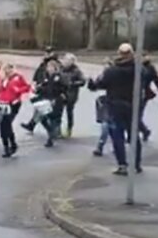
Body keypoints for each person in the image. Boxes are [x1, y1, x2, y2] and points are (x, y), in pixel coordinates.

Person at [89, 44, 148, 175]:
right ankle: (136, 164)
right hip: (133, 105)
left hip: (115, 105)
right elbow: (146, 79)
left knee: (117, 135)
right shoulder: (139, 70)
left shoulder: (112, 71)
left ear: (119, 54)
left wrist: (92, 83)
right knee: (133, 135)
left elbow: (99, 85)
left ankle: (122, 164)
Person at [0, 63, 32, 158]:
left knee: (6, 124)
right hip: (2, 103)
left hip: (14, 104)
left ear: (12, 69)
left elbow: (27, 87)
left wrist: (18, 90)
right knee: (3, 126)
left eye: (9, 69)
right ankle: (8, 145)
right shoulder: (1, 79)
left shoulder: (18, 77)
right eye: (5, 69)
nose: (7, 71)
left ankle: (11, 146)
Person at [21, 46, 60, 133]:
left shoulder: (54, 64)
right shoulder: (43, 63)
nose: (46, 54)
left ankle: (53, 130)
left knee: (46, 112)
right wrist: (35, 82)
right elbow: (38, 72)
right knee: (38, 109)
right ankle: (32, 125)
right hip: (42, 89)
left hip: (49, 93)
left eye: (48, 52)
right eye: (46, 52)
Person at [34, 59, 67, 148]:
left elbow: (63, 87)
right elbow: (45, 87)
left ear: (54, 68)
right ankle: (51, 132)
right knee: (43, 118)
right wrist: (38, 89)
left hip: (56, 100)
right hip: (48, 99)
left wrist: (61, 94)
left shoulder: (58, 77)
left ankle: (50, 138)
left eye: (50, 67)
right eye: (48, 67)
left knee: (53, 118)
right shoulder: (47, 77)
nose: (48, 69)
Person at [59, 54, 85, 138]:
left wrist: (73, 83)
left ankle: (69, 128)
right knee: (58, 111)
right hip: (61, 92)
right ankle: (57, 129)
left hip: (71, 94)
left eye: (68, 60)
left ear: (72, 62)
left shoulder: (76, 71)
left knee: (69, 112)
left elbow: (83, 81)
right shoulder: (61, 69)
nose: (65, 61)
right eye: (65, 59)